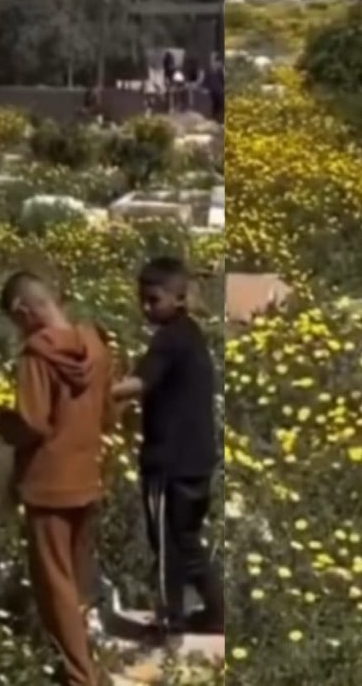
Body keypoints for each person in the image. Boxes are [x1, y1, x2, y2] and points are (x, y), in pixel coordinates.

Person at [0, 271, 114, 686]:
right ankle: (90, 665)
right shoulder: (97, 346)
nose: (18, 330)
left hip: (48, 483)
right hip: (87, 476)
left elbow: (33, 422)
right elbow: (109, 412)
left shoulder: (35, 357)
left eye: (16, 321)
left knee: (55, 586)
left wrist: (3, 423)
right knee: (76, 583)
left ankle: (80, 677)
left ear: (23, 311)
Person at [113, 257, 225, 637]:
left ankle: (168, 622)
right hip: (197, 458)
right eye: (142, 300)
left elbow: (139, 384)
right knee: (187, 540)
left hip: (169, 461)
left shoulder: (168, 339)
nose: (146, 307)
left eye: (154, 300)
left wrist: (96, 392)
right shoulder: (190, 334)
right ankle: (216, 613)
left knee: (166, 543)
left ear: (178, 298)